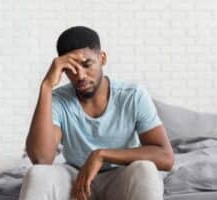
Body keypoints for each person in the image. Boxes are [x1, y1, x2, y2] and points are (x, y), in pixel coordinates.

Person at [19, 26, 174, 200]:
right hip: (76, 180)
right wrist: (46, 86)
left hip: (120, 176)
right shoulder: (58, 100)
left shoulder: (133, 95)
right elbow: (42, 159)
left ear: (102, 58)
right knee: (37, 174)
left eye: (87, 65)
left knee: (145, 169)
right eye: (70, 69)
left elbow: (165, 157)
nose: (80, 76)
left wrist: (101, 155)